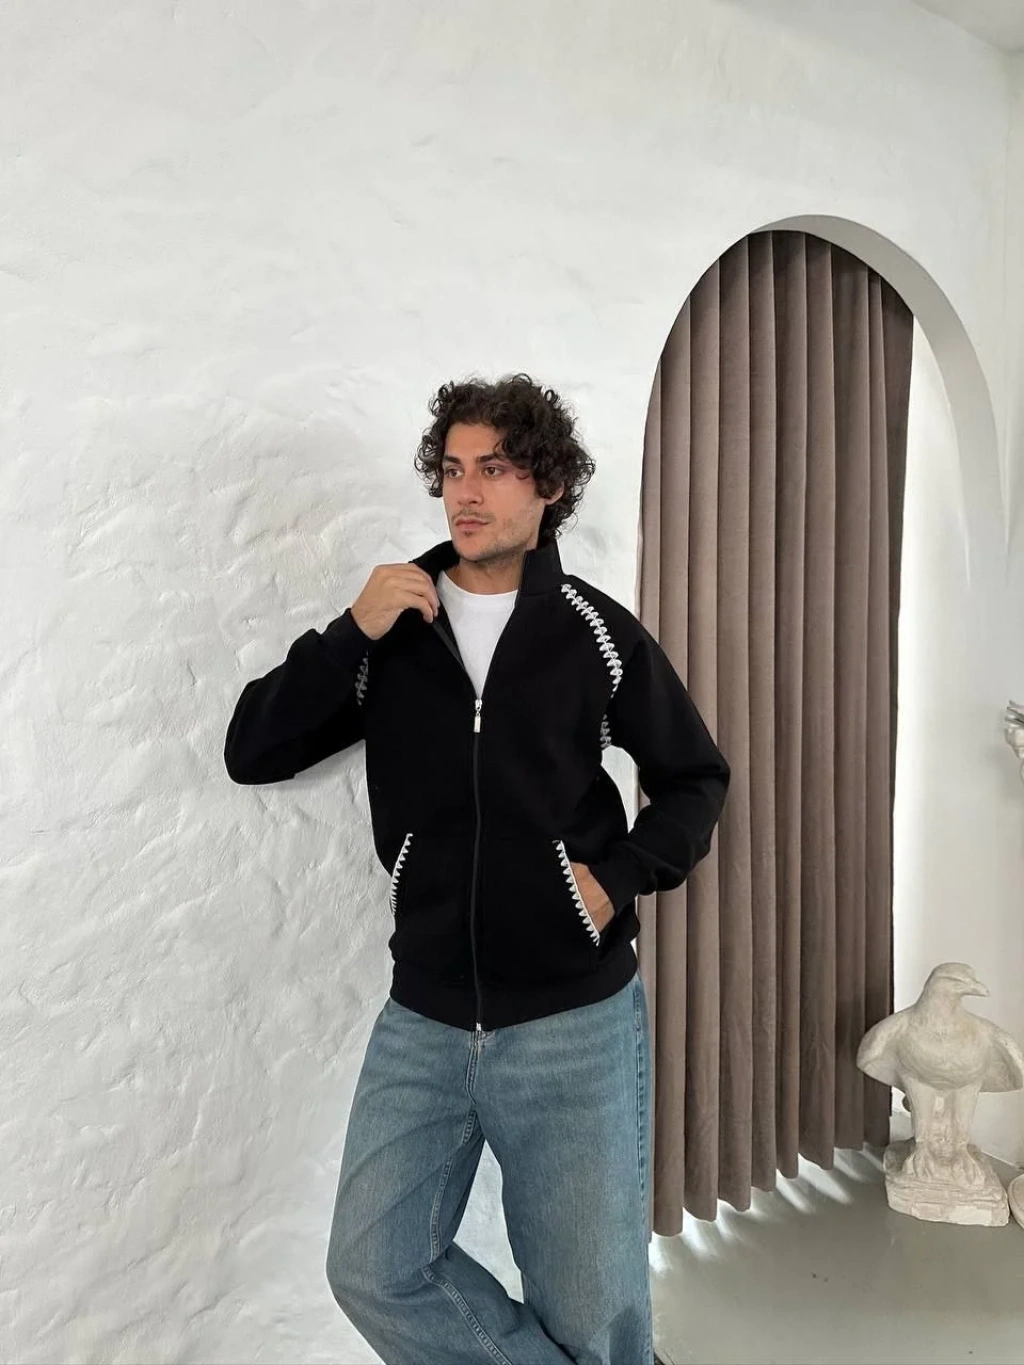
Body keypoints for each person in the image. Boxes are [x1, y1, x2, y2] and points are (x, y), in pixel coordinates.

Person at [223, 373, 730, 1365]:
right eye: (453, 469)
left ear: (549, 487)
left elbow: (694, 778)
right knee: (374, 1267)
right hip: (425, 1018)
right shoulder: (392, 627)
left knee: (594, 1315)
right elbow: (253, 750)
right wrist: (348, 633)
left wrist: (614, 879)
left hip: (574, 1022)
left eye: (494, 469)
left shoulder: (594, 631)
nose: (466, 491)